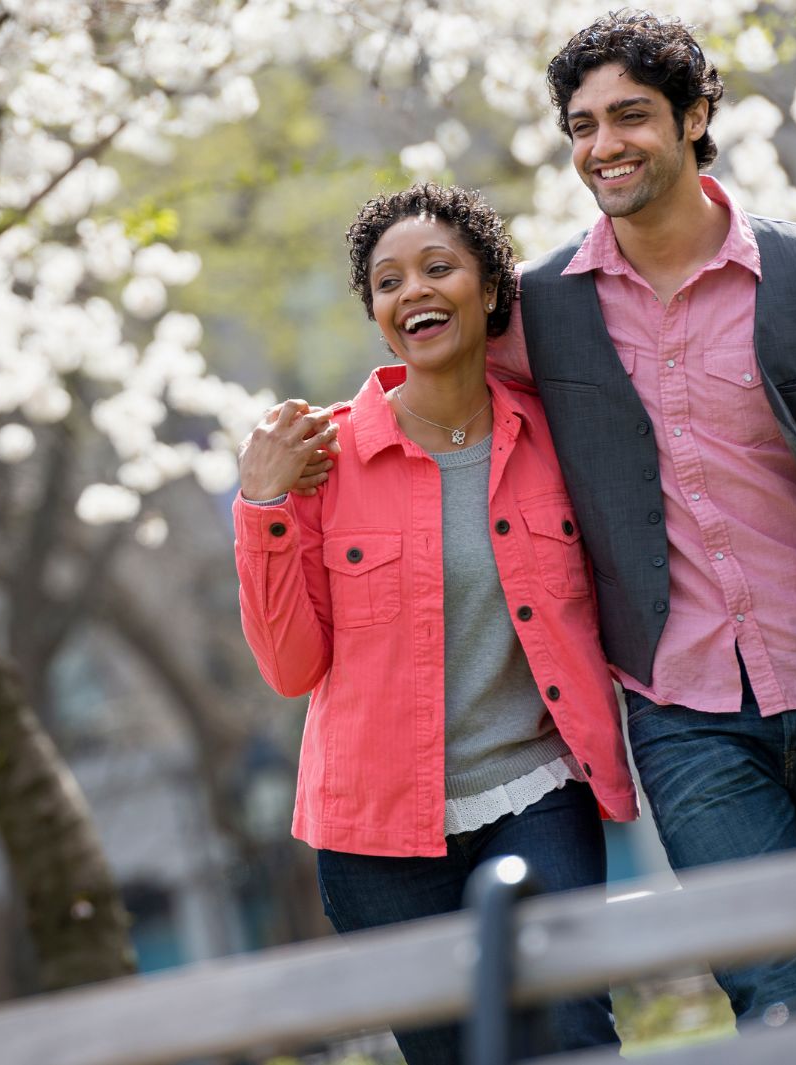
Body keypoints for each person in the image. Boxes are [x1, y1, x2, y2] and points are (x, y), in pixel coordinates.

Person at [485, 11, 796, 1027]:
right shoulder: (537, 310)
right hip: (686, 712)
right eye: (581, 125)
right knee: (781, 995)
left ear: (696, 117)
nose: (601, 145)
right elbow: (426, 395)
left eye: (630, 116)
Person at [233, 182, 637, 1063]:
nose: (412, 290)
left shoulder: (555, 431)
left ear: (490, 289)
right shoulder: (325, 462)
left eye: (438, 268)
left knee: (571, 1032)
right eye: (387, 282)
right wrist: (262, 504)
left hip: (535, 791)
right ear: (377, 316)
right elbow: (291, 667)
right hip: (375, 833)